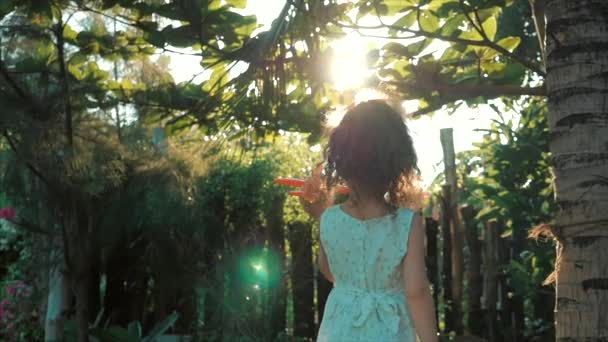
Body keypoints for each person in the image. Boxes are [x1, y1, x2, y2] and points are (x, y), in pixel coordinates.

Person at [300, 100, 438, 342]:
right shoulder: (407, 223)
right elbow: (416, 291)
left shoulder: (328, 218)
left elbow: (331, 272)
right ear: (398, 164)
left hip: (340, 331)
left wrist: (319, 214)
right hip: (390, 332)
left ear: (341, 162)